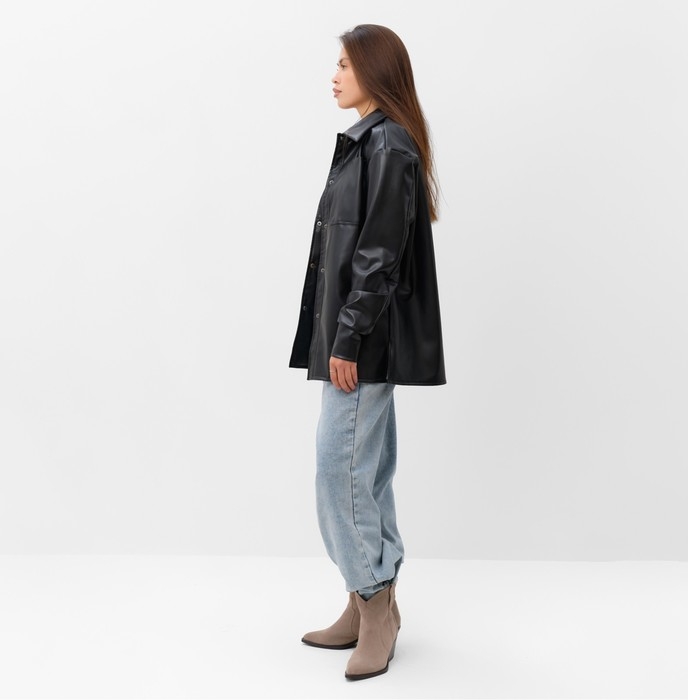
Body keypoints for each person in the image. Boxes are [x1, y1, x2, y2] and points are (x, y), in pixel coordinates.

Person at [289, 24, 446, 681]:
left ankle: (376, 604)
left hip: (364, 342)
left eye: (345, 65)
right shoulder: (371, 141)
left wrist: (349, 337)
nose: (334, 76)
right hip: (353, 336)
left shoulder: (387, 145)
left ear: (374, 72)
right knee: (364, 473)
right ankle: (364, 603)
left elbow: (378, 256)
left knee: (341, 472)